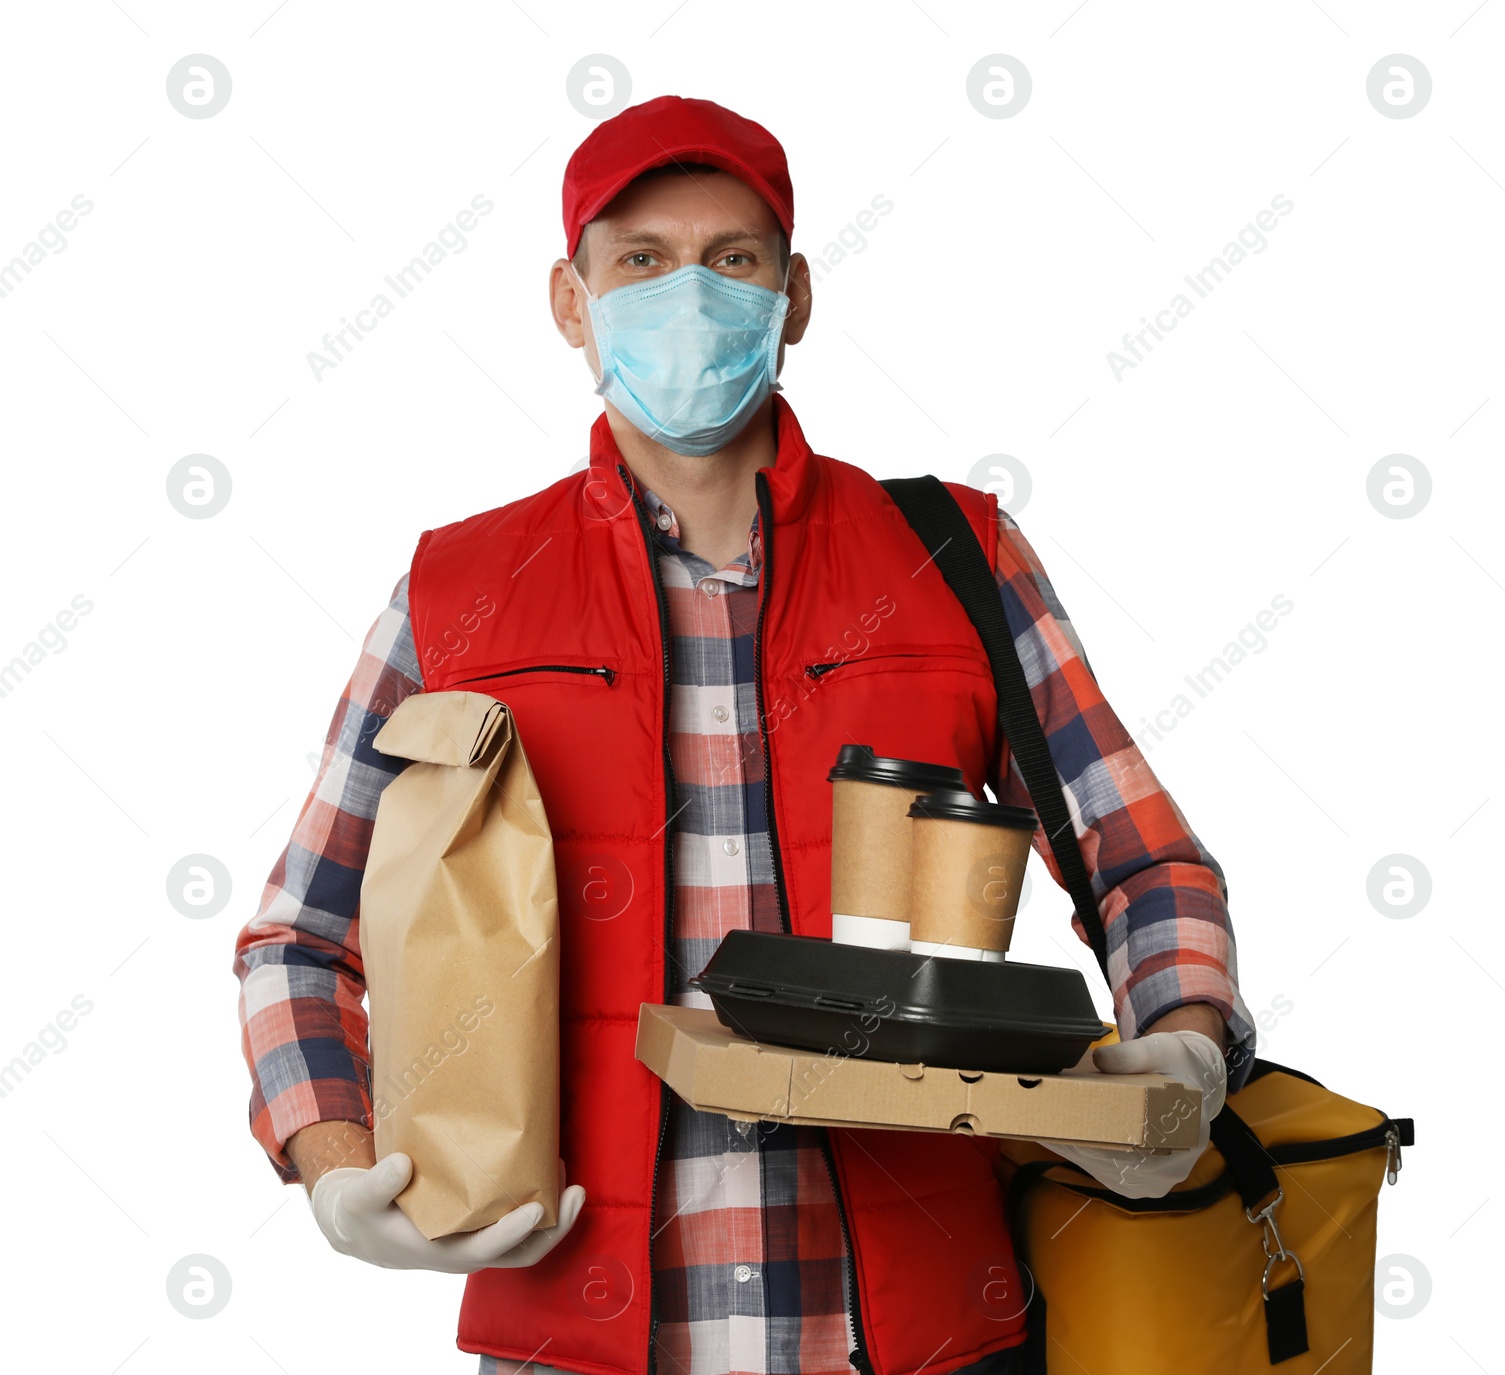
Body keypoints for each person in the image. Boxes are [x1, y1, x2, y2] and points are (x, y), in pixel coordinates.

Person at [234, 94, 1257, 1375]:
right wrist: (336, 1168)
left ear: (796, 295)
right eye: (642, 261)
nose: (690, 295)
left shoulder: (956, 560)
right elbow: (299, 941)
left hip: (924, 1338)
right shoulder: (457, 596)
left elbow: (1143, 862)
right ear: (570, 299)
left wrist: (1183, 1045)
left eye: (733, 259)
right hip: (579, 1339)